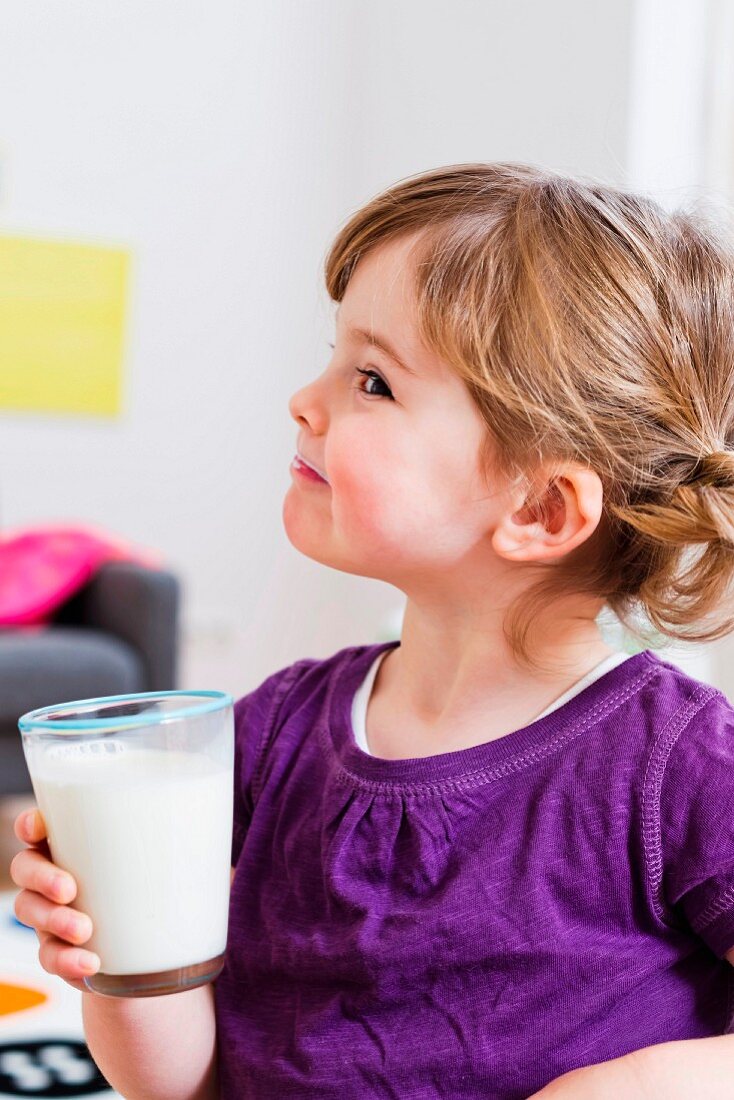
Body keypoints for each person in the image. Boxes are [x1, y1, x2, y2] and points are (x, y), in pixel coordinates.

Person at [11, 162, 734, 1099]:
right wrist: (126, 957)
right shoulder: (269, 734)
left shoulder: (680, 767)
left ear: (544, 510)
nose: (304, 400)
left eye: (373, 380)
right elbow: (178, 1085)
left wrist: (633, 1087)